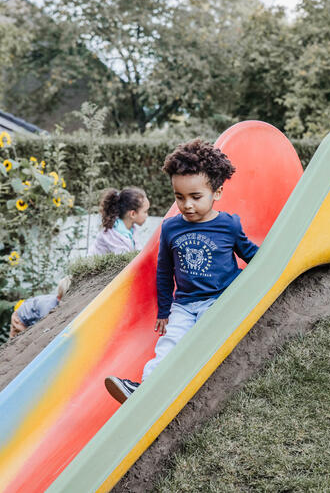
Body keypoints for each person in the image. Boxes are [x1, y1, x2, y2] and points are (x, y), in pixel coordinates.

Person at [104, 139, 259, 403]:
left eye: (195, 197)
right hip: (185, 305)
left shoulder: (229, 225)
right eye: (179, 197)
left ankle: (190, 387)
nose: (187, 205)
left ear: (217, 193)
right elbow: (164, 271)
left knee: (204, 337)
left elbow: (254, 256)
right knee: (169, 343)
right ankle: (144, 389)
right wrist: (165, 310)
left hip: (220, 300)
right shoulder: (171, 228)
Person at [88, 187, 150, 256]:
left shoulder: (132, 229)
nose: (147, 215)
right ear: (133, 214)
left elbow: (138, 253)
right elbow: (125, 261)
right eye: (145, 212)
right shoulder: (112, 234)